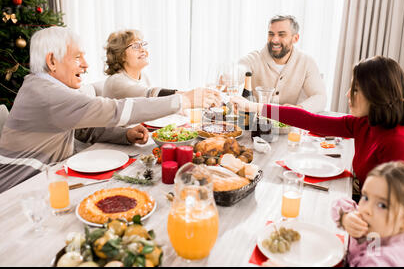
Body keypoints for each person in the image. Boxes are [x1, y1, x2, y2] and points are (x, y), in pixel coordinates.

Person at [0, 26, 221, 193]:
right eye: (77, 57)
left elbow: (81, 130)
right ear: (52, 61)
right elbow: (114, 109)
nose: (86, 65)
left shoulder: (46, 87)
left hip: (49, 180)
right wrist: (183, 100)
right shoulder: (45, 93)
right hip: (19, 190)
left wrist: (123, 134)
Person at [231, 55, 404, 192]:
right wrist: (254, 106)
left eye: (355, 89)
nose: (347, 94)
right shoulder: (366, 123)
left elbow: (395, 212)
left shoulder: (399, 144)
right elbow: (309, 120)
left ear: (377, 94)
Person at [331, 161, 404, 267]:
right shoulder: (380, 228)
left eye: (382, 205)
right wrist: (346, 217)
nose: (366, 209)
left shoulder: (386, 261)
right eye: (366, 197)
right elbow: (338, 204)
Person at [237, 15, 326, 112]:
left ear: (295, 38)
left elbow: (320, 97)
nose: (274, 40)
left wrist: (298, 109)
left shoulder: (306, 61)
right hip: (256, 123)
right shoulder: (253, 58)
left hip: (287, 124)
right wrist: (226, 79)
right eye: (271, 34)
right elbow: (237, 72)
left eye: (281, 34)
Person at [103, 29, 178, 99]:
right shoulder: (116, 81)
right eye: (135, 46)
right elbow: (151, 95)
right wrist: (183, 96)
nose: (143, 49)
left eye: (142, 45)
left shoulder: (144, 77)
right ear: (121, 55)